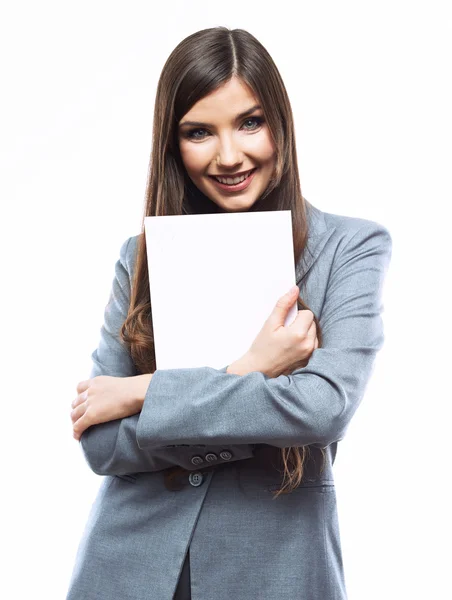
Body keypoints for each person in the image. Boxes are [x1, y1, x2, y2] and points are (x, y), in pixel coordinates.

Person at [66, 26, 392, 600]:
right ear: (173, 144)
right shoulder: (138, 256)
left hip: (275, 569)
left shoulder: (351, 248)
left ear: (281, 125)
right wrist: (252, 370)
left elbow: (323, 408)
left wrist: (143, 392)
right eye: (198, 132)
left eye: (250, 122)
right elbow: (101, 444)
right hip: (127, 567)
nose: (229, 156)